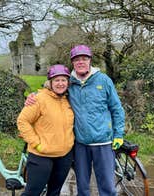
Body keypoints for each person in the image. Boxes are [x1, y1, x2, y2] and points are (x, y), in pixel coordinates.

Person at [25, 45, 125, 196]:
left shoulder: (104, 80)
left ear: (90, 60)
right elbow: (50, 91)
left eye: (84, 58)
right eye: (77, 59)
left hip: (103, 142)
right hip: (80, 144)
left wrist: (118, 134)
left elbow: (116, 109)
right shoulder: (68, 82)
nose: (81, 62)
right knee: (82, 187)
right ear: (72, 62)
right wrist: (32, 96)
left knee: (107, 188)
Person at [17, 64, 75, 196]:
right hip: (41, 156)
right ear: (50, 82)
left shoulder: (69, 100)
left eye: (63, 80)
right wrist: (36, 143)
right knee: (32, 192)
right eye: (56, 80)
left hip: (64, 156)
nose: (60, 83)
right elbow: (22, 121)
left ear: (68, 82)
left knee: (54, 192)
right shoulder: (38, 98)